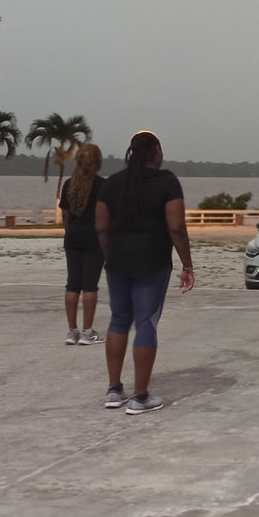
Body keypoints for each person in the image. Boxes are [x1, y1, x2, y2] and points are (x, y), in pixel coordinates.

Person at [95, 131, 194, 415]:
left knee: (118, 320)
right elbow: (176, 228)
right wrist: (187, 265)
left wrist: (110, 254)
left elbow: (101, 226)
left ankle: (114, 390)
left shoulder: (112, 183)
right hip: (152, 262)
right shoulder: (167, 182)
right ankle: (140, 396)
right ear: (156, 152)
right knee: (146, 323)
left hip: (117, 262)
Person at [59, 143, 106, 345]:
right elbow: (105, 215)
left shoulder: (69, 184)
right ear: (97, 162)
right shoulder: (102, 185)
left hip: (73, 236)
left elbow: (65, 214)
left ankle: (72, 331)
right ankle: (87, 332)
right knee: (89, 285)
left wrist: (70, 230)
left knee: (72, 284)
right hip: (93, 237)